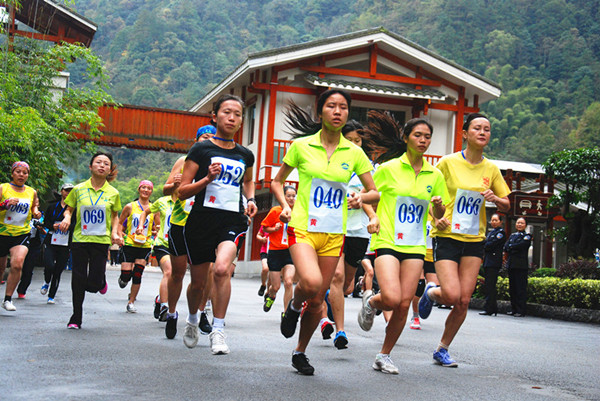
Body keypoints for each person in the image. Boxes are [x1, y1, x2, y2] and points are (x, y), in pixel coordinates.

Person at [272, 89, 379, 375]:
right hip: (303, 227)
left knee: (319, 299)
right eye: (331, 106)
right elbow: (277, 180)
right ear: (320, 112)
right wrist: (285, 204)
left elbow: (374, 192)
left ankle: (300, 352)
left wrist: (361, 199)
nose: (337, 111)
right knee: (310, 281)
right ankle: (294, 306)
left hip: (334, 233)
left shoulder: (354, 153)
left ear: (347, 114)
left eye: (343, 107)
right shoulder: (301, 146)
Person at [356, 114, 448, 374]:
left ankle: (384, 355)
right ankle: (372, 302)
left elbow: (437, 215)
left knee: (405, 304)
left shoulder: (435, 174)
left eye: (427, 136)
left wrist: (439, 211)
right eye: (417, 135)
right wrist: (373, 217)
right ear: (406, 138)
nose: (423, 140)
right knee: (392, 298)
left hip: (415, 245)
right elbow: (366, 197)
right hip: (387, 239)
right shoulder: (388, 169)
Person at [418, 113, 510, 367]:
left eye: (487, 129)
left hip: (474, 238)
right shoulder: (447, 162)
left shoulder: (491, 168)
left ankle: (442, 349)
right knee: (450, 294)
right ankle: (431, 292)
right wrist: (436, 219)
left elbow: (506, 204)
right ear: (465, 133)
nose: (483, 132)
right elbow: (428, 192)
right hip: (447, 234)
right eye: (477, 128)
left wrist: (495, 198)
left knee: (464, 300)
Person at [178, 95, 256, 354]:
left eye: (237, 114)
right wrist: (206, 180)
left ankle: (218, 330)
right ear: (215, 116)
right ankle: (191, 319)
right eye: (226, 112)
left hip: (231, 221)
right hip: (201, 221)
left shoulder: (245, 155)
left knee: (222, 270)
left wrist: (251, 199)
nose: (232, 118)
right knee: (198, 284)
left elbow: (247, 181)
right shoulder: (200, 150)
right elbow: (182, 191)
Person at [327, 120, 378, 350]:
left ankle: (328, 298)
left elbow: (374, 195)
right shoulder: (331, 163)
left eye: (358, 141)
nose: (354, 144)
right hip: (334, 227)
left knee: (347, 285)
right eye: (350, 140)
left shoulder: (368, 168)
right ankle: (340, 330)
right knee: (337, 278)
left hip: (358, 231)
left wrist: (364, 204)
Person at [162, 124, 216, 340]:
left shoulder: (218, 163)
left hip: (205, 223)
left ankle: (200, 311)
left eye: (212, 137)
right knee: (177, 272)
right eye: (204, 137)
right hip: (180, 222)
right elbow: (165, 189)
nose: (208, 140)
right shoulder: (184, 161)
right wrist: (174, 184)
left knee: (206, 273)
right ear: (196, 140)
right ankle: (172, 312)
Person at [59, 152, 122, 329]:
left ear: (110, 169)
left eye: (106, 164)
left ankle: (100, 282)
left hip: (101, 240)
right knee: (78, 278)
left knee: (93, 283)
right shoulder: (79, 189)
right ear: (90, 166)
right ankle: (76, 317)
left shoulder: (113, 193)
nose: (102, 166)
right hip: (80, 238)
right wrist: (67, 218)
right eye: (98, 162)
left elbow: (115, 215)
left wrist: (115, 233)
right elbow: (69, 209)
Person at [0, 161, 41, 311]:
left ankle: (8, 299)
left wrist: (36, 212)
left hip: (21, 233)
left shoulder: (31, 191)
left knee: (17, 264)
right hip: (2, 233)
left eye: (25, 173)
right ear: (12, 173)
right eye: (18, 172)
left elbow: (35, 205)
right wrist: (5, 204)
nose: (22, 175)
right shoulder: (3, 188)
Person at [117, 180, 155, 313]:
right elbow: (120, 223)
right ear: (139, 190)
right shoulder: (130, 206)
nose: (146, 190)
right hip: (129, 243)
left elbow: (157, 226)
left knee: (138, 274)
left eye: (148, 188)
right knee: (127, 274)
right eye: (143, 187)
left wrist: (156, 233)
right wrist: (120, 235)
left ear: (151, 191)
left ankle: (131, 301)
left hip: (145, 245)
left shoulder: (154, 208)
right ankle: (124, 278)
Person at [136, 191, 175, 321]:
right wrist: (141, 226)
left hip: (180, 246)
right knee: (168, 272)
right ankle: (164, 306)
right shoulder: (162, 201)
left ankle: (159, 299)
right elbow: (145, 212)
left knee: (175, 277)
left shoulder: (190, 202)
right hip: (162, 244)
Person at [261, 185, 297, 314]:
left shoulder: (298, 212)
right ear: (283, 196)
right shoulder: (275, 211)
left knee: (288, 282)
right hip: (275, 252)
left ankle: (286, 313)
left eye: (294, 196)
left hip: (291, 251)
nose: (291, 199)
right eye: (288, 196)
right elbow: (265, 228)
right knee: (275, 286)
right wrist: (274, 229)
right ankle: (271, 296)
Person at [39, 183, 75, 304]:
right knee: (49, 265)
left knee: (59, 269)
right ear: (62, 191)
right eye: (66, 190)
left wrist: (67, 226)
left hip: (65, 243)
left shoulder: (74, 209)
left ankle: (52, 295)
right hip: (51, 240)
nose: (68, 193)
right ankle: (46, 281)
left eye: (71, 191)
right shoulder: (52, 207)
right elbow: (45, 222)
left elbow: (76, 226)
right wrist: (53, 226)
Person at [480, 213, 506, 316]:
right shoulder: (491, 233)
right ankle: (491, 307)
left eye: (496, 220)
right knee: (488, 285)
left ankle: (490, 308)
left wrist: (485, 245)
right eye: (492, 220)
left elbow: (489, 245)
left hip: (494, 262)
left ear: (500, 222)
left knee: (491, 285)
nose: (494, 222)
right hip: (488, 261)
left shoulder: (501, 233)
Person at [504, 217, 531, 317]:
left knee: (520, 288)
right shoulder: (512, 235)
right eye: (518, 223)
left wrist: (512, 246)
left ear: (525, 225)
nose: (519, 224)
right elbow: (506, 247)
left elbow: (522, 246)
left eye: (522, 223)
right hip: (512, 265)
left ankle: (521, 310)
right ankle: (514, 308)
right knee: (513, 288)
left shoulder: (527, 236)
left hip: (521, 266)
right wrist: (513, 246)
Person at [256, 226, 269, 297]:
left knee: (272, 275)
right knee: (265, 269)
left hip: (276, 251)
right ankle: (263, 285)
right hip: (265, 251)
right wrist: (262, 239)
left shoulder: (281, 224)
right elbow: (258, 235)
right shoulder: (266, 223)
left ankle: (269, 292)